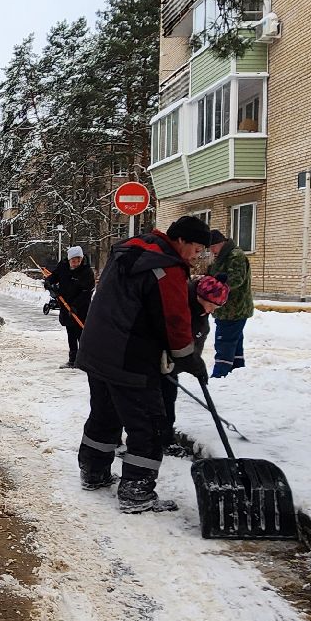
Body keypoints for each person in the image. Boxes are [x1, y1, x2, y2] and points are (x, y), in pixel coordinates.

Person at [73, 214, 214, 514]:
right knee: (149, 424)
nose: (197, 255)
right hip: (129, 356)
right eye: (196, 248)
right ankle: (136, 492)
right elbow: (173, 318)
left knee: (105, 414)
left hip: (97, 348)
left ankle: (94, 472)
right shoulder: (166, 266)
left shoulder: (130, 249)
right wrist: (188, 357)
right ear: (181, 240)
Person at [161, 274, 230, 455]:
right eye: (212, 305)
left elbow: (195, 341)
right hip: (158, 360)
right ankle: (156, 440)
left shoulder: (200, 310)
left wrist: (195, 363)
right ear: (201, 297)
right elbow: (178, 337)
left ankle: (164, 438)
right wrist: (193, 363)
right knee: (157, 402)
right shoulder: (183, 306)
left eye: (217, 307)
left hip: (171, 364)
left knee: (168, 398)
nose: (213, 310)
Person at [41, 245, 95, 369]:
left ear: (81, 259)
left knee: (81, 334)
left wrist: (75, 306)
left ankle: (85, 360)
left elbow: (87, 292)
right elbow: (55, 276)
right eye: (73, 261)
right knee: (70, 332)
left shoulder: (86, 272)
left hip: (81, 307)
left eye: (78, 260)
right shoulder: (63, 266)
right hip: (66, 304)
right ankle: (72, 360)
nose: (76, 263)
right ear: (69, 259)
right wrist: (48, 282)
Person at [207, 229, 252, 377]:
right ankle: (238, 372)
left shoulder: (235, 256)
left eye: (213, 247)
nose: (211, 251)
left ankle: (220, 375)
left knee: (224, 342)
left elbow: (236, 279)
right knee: (235, 343)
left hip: (234, 310)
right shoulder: (221, 256)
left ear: (221, 243)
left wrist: (215, 285)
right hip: (226, 309)